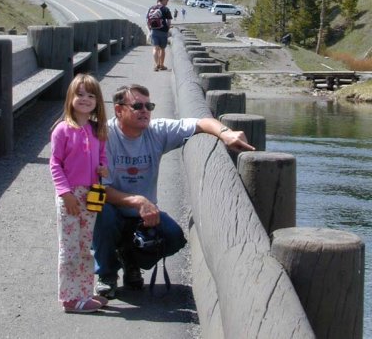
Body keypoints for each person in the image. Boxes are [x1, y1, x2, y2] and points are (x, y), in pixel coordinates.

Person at [93, 83, 255, 299]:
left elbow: (200, 123)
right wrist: (139, 200)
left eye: (149, 106)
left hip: (143, 215)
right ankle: (106, 275)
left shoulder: (156, 131)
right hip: (110, 208)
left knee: (174, 238)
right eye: (138, 106)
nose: (145, 111)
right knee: (101, 213)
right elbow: (99, 190)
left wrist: (226, 133)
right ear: (118, 110)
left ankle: (130, 259)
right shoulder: (104, 136)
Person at [50, 73, 110, 314]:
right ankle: (70, 298)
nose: (85, 99)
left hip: (93, 192)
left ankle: (84, 291)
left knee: (86, 246)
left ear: (97, 101)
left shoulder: (97, 130)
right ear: (70, 98)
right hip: (71, 195)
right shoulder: (62, 130)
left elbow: (102, 155)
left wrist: (104, 167)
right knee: (70, 247)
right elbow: (55, 163)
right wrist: (65, 194)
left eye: (91, 95)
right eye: (80, 94)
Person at [148, 0, 172, 71]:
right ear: (162, 0)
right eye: (166, 0)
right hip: (163, 31)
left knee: (155, 48)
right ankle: (161, 65)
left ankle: (156, 65)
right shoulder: (165, 9)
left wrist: (150, 30)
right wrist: (168, 30)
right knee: (162, 49)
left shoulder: (151, 8)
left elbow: (147, 20)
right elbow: (169, 22)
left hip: (154, 31)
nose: (167, 2)